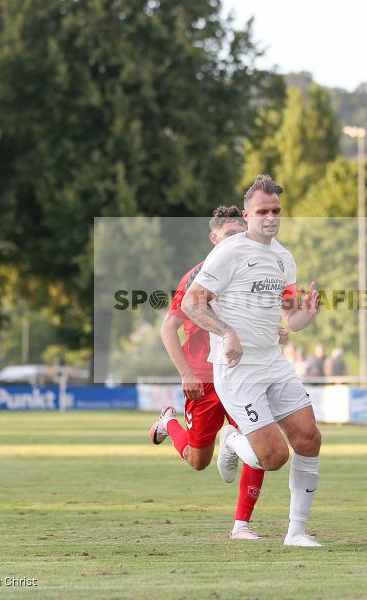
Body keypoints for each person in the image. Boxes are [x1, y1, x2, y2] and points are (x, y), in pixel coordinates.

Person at [182, 174, 323, 547]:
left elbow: (290, 318)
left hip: (273, 363)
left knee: (309, 439)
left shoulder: (283, 258)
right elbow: (190, 303)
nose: (271, 217)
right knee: (273, 457)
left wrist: (306, 315)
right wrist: (226, 332)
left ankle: (297, 532)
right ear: (247, 214)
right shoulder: (228, 252)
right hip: (236, 370)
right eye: (263, 211)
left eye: (276, 210)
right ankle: (230, 441)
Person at [152, 206, 270, 541]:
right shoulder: (195, 278)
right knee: (197, 461)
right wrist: (186, 373)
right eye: (230, 235)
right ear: (214, 238)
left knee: (259, 443)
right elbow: (167, 329)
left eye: (241, 234)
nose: (237, 241)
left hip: (239, 375)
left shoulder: (250, 272)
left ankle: (241, 525)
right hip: (203, 379)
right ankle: (168, 422)